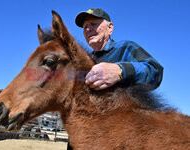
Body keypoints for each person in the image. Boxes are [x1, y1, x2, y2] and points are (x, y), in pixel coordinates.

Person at [67, 8, 163, 150]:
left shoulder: (124, 48)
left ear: (110, 28)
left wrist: (120, 71)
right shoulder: (83, 61)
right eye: (85, 27)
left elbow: (155, 70)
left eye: (93, 24)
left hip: (115, 138)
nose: (88, 29)